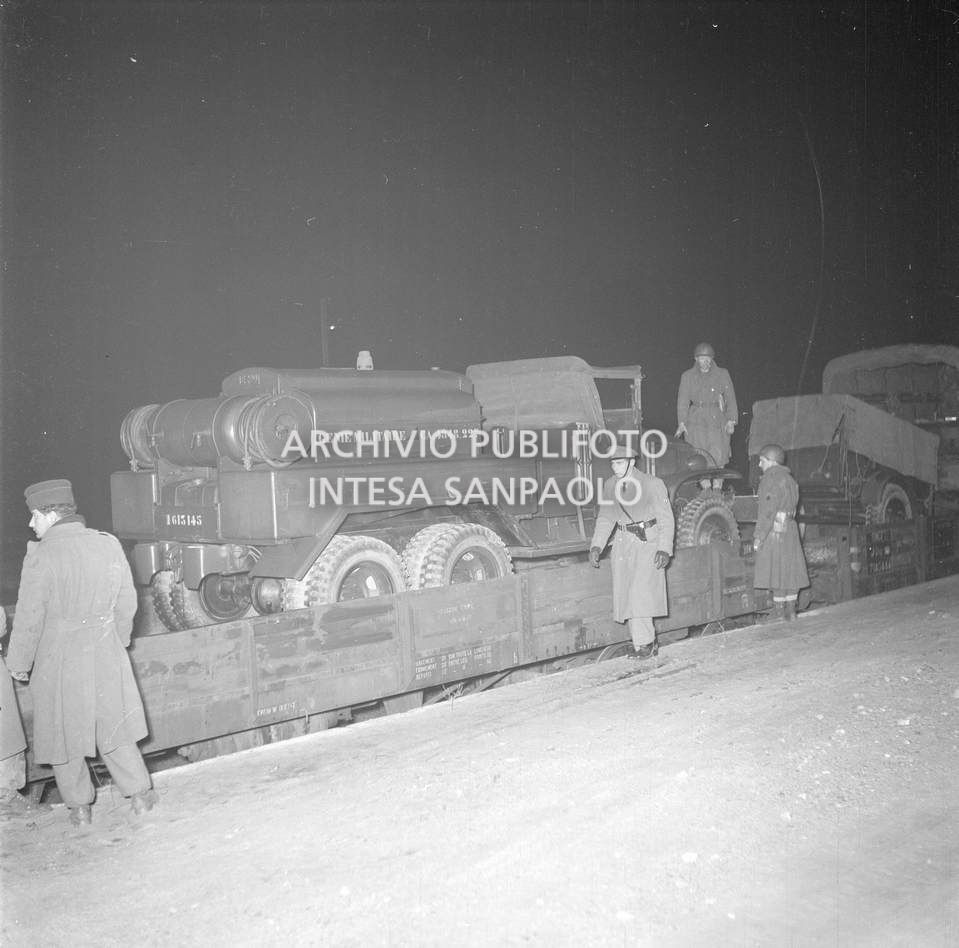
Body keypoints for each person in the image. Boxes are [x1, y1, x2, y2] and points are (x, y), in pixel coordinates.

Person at [5, 479, 156, 825]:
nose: (31, 524)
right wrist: (116, 641)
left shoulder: (41, 556)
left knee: (62, 733)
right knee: (114, 726)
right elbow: (127, 602)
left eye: (34, 517)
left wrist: (19, 664)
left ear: (51, 514)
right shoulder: (108, 544)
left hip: (58, 659)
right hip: (105, 652)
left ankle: (79, 808)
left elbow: (29, 617)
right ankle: (140, 797)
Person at [589, 443, 675, 658]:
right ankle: (641, 644)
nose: (615, 468)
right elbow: (606, 517)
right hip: (622, 544)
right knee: (627, 593)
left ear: (631, 462)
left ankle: (645, 644)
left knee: (640, 594)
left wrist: (664, 549)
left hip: (647, 543)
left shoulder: (652, 484)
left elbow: (666, 518)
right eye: (612, 463)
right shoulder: (610, 485)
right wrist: (597, 545)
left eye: (619, 463)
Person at [753, 444, 809, 621]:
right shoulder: (790, 479)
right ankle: (791, 611)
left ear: (771, 461)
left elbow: (767, 511)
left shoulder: (770, 479)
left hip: (776, 530)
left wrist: (759, 536)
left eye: (761, 461)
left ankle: (778, 612)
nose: (759, 465)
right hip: (791, 528)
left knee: (776, 571)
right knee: (790, 570)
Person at [675, 342, 738, 468]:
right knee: (698, 454)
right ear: (696, 359)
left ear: (712, 359)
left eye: (707, 359)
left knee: (719, 454)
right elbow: (683, 401)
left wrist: (731, 420)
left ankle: (717, 486)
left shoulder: (722, 374)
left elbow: (730, 398)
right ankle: (705, 487)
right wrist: (682, 422)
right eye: (702, 359)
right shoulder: (687, 376)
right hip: (696, 419)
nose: (705, 362)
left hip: (717, 418)